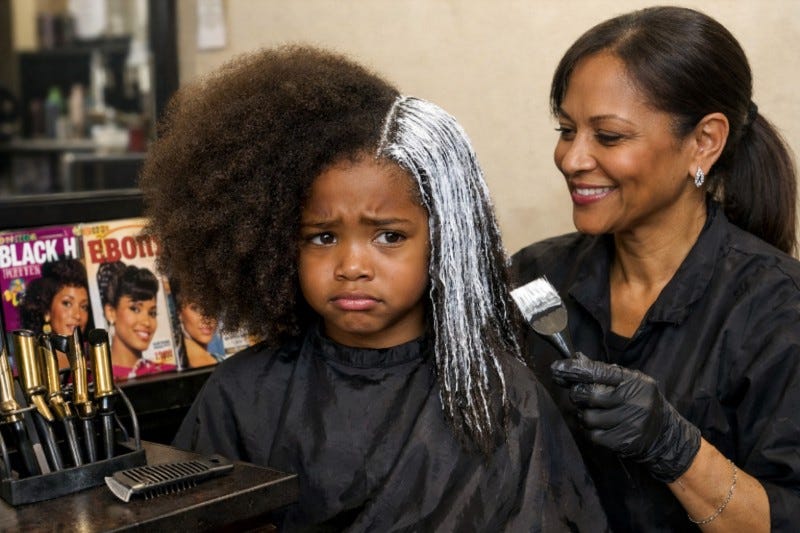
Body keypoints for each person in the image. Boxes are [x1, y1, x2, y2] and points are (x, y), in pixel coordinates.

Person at [140, 45, 607, 531]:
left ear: (444, 240)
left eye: (389, 236)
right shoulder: (243, 395)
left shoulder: (501, 399)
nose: (351, 266)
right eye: (322, 237)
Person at [511, 6, 800, 532]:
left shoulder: (780, 310)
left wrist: (676, 447)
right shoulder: (532, 277)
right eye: (566, 129)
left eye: (609, 136)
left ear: (704, 141)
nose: (572, 159)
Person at [97, 261, 175, 379]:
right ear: (111, 312)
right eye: (135, 309)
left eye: (152, 313)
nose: (147, 322)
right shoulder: (96, 378)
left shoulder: (167, 373)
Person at [19, 257, 91, 368]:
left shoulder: (94, 358)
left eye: (84, 306)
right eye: (67, 303)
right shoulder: (32, 367)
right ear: (47, 311)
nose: (77, 315)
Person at [169, 276, 223, 368]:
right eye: (196, 308)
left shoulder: (219, 359)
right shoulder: (174, 362)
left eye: (212, 307)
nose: (206, 317)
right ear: (179, 313)